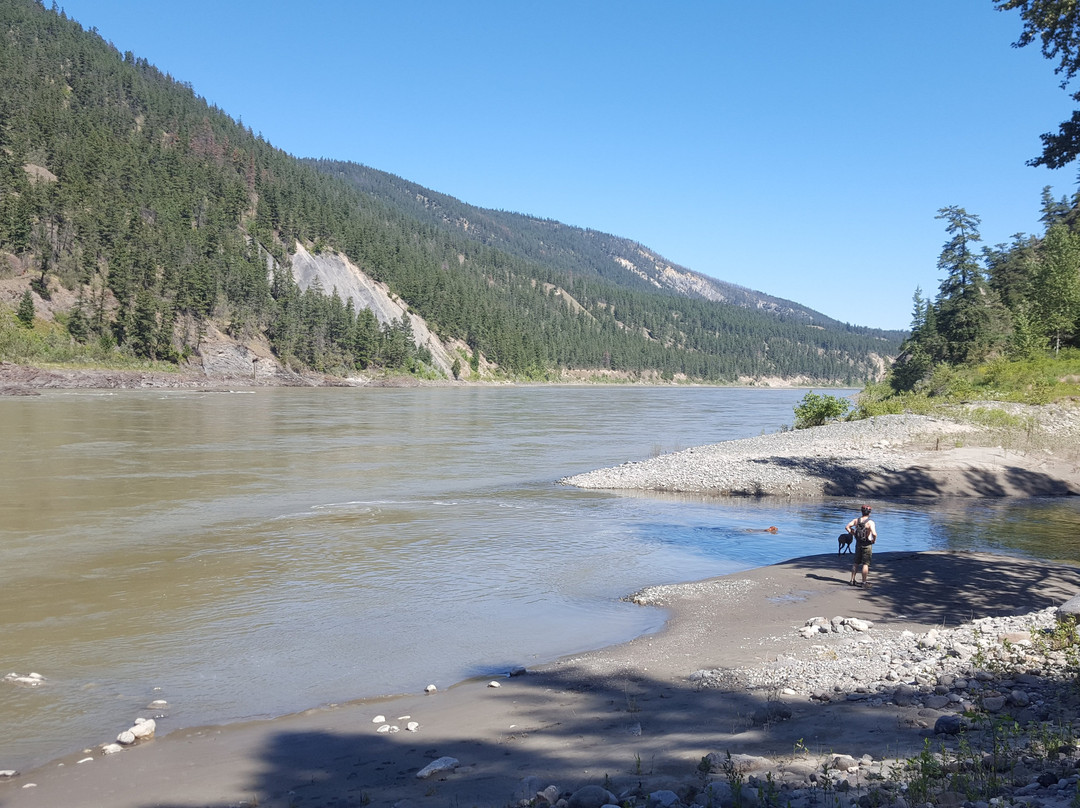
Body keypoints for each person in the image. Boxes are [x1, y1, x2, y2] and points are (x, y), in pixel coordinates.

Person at [846, 505, 877, 588]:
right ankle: (864, 582)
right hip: (867, 544)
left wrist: (853, 533)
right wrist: (874, 539)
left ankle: (852, 580)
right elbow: (874, 534)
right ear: (869, 513)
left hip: (858, 543)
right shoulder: (870, 522)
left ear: (861, 512)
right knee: (865, 564)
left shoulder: (856, 520)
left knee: (856, 563)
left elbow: (847, 527)